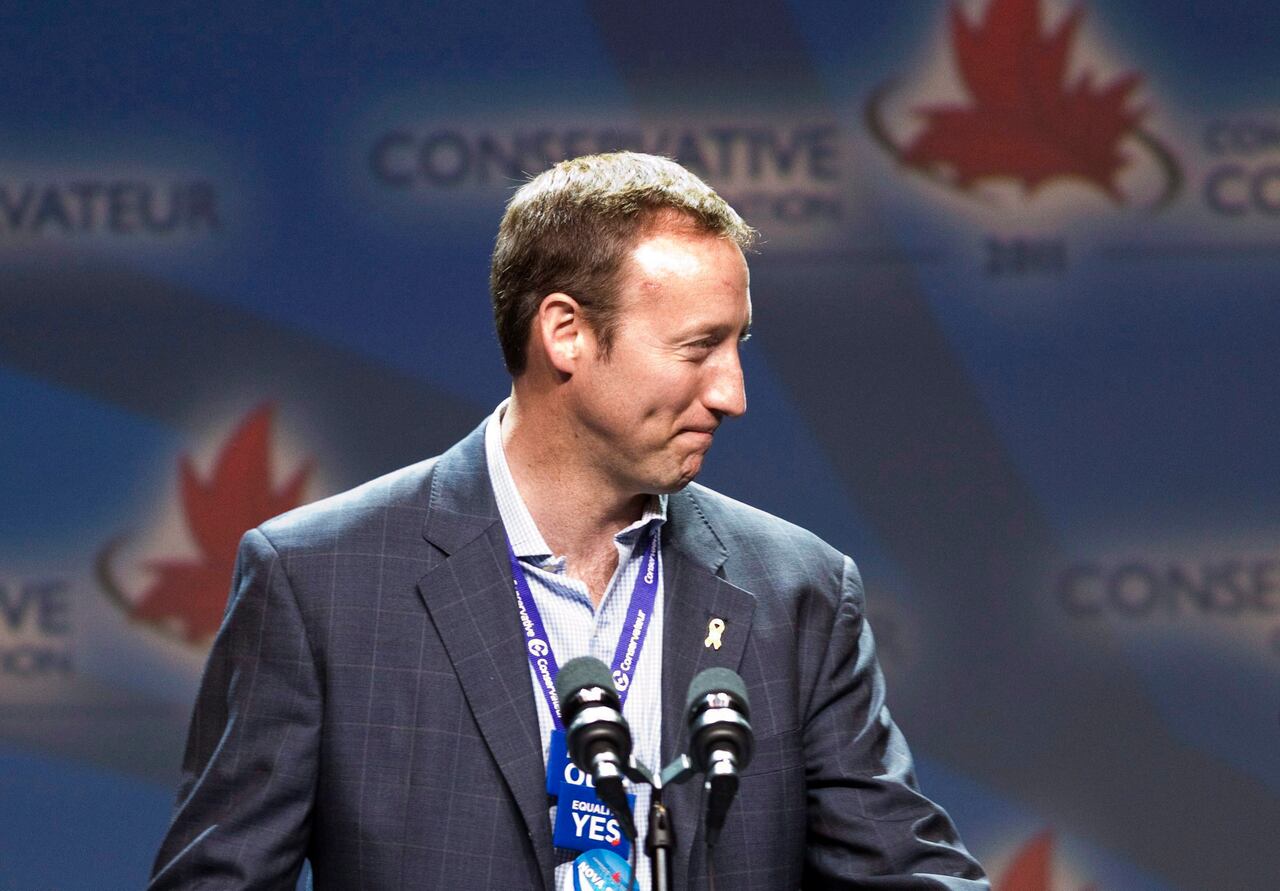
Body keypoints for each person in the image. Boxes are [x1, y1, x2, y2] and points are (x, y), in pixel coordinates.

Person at [149, 152, 987, 890]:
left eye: (740, 347)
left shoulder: (795, 589)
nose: (733, 393)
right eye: (698, 350)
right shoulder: (319, 583)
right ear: (566, 333)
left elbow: (905, 874)